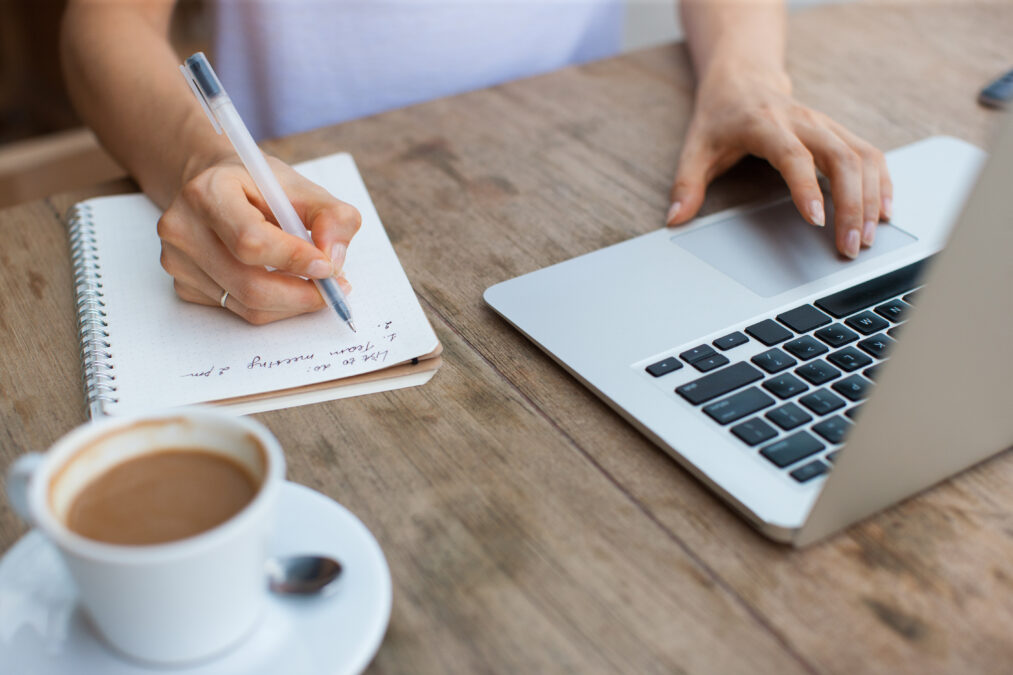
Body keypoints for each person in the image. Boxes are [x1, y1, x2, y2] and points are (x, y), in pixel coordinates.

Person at [61, 0, 891, 325]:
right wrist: (199, 156)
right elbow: (100, 28)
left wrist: (743, 74)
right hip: (305, 192)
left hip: (596, 182)